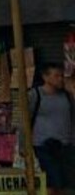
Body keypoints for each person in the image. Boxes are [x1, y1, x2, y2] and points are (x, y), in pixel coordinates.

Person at [28, 63, 75, 194]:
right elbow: (25, 119)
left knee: (65, 182)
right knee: (51, 180)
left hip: (64, 145)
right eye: (56, 76)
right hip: (43, 145)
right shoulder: (35, 95)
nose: (60, 79)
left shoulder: (66, 96)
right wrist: (23, 145)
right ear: (45, 77)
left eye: (61, 76)